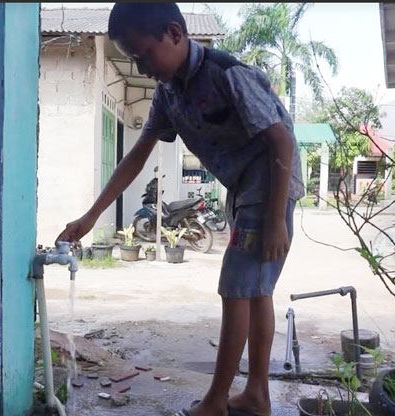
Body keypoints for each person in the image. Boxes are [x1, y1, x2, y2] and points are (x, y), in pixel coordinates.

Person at [56, 3, 304, 415]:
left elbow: (282, 140)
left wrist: (277, 218)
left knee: (235, 288)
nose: (142, 67)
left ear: (174, 33)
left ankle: (216, 401)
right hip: (243, 186)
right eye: (134, 59)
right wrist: (91, 216)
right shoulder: (168, 94)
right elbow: (136, 156)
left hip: (270, 183)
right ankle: (257, 394)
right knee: (256, 290)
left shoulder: (227, 74)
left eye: (144, 55)